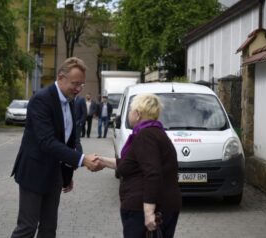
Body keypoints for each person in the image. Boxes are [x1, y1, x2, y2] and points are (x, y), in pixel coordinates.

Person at [10, 57, 101, 238]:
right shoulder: (41, 100)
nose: (78, 89)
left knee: (49, 228)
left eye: (81, 85)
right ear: (61, 78)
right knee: (27, 227)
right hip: (34, 172)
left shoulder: (72, 100)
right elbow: (47, 142)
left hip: (55, 174)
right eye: (75, 83)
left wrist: (68, 173)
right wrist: (82, 160)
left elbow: (71, 138)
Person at [94, 93, 182, 238]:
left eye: (130, 110)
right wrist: (103, 161)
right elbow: (132, 164)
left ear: (138, 114)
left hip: (141, 209)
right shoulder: (157, 133)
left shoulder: (145, 136)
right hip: (166, 203)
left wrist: (148, 212)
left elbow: (152, 173)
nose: (128, 113)